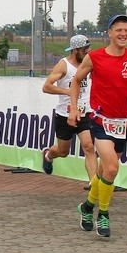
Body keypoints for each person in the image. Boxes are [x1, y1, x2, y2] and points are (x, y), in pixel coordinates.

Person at [70, 14, 127, 238]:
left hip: (123, 122)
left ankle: (87, 207)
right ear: (110, 33)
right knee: (113, 168)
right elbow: (76, 80)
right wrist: (74, 108)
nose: (123, 34)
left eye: (126, 30)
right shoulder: (95, 57)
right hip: (100, 119)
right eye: (119, 30)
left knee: (104, 170)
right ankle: (103, 214)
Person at [41, 34, 97, 183]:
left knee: (89, 147)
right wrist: (68, 91)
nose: (88, 53)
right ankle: (48, 155)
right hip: (65, 115)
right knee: (63, 151)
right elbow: (46, 87)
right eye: (85, 50)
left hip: (85, 112)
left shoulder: (89, 63)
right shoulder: (64, 64)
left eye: (89, 49)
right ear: (75, 50)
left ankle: (93, 185)